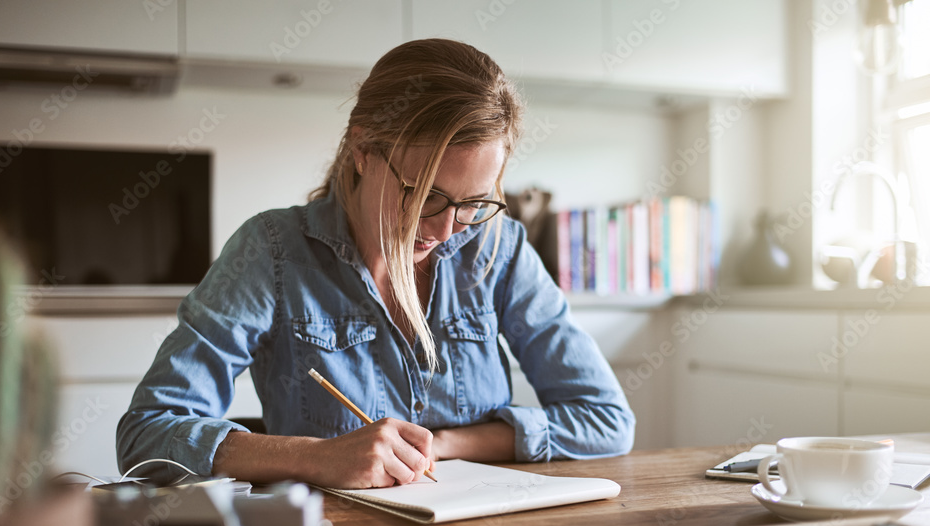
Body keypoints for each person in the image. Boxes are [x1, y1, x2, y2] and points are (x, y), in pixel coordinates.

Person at [117, 39, 635, 489]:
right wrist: (319, 458)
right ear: (363, 149)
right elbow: (148, 434)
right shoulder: (271, 251)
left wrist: (444, 445)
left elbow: (607, 420)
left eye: (474, 203)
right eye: (423, 194)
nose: (444, 228)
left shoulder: (497, 248)